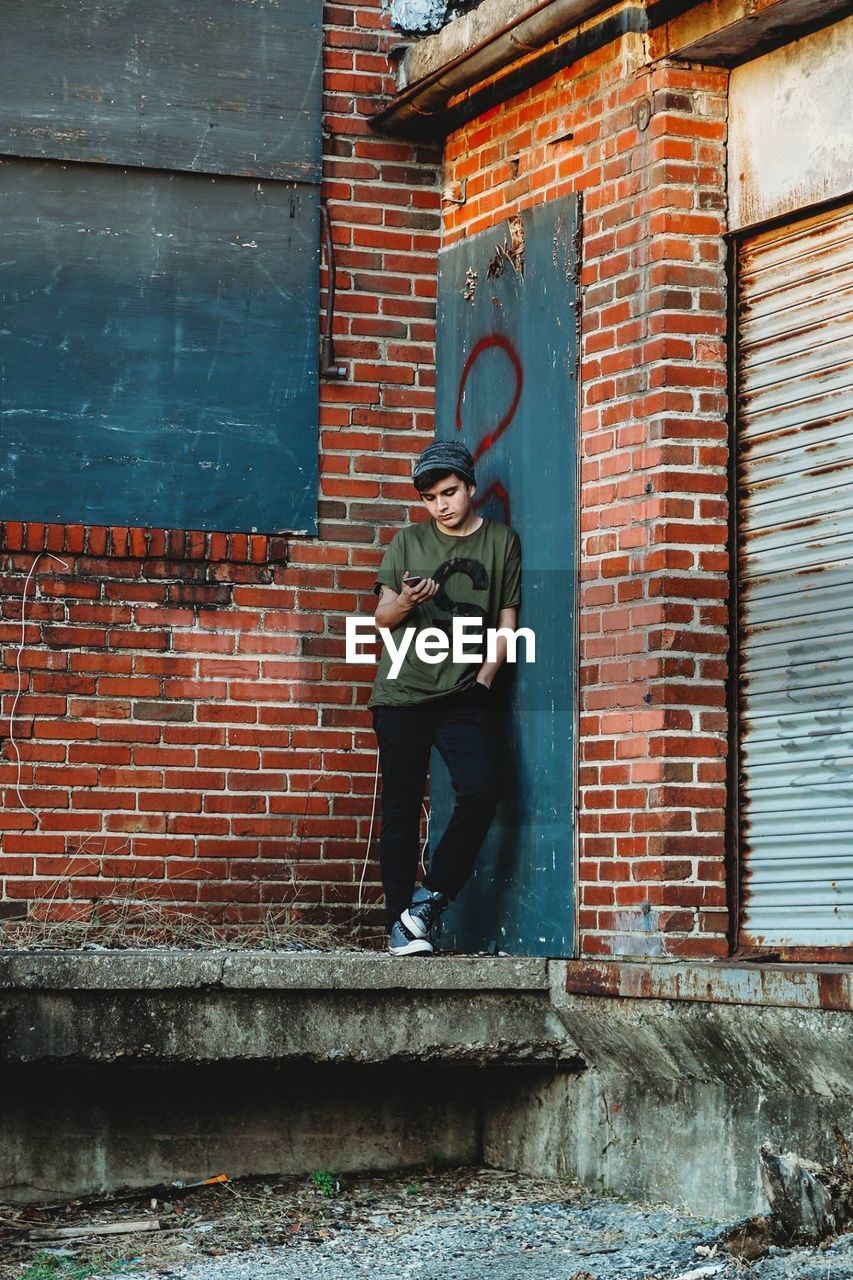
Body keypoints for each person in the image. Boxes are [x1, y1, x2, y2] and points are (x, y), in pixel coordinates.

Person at [368, 440, 522, 956]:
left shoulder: (501, 542)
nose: (442, 506)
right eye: (432, 498)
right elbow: (381, 619)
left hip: (463, 691)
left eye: (450, 493)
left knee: (482, 789)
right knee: (401, 808)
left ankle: (428, 900)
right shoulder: (407, 542)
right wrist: (407, 601)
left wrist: (484, 681)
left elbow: (506, 620)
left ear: (470, 488)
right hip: (401, 692)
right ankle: (399, 926)